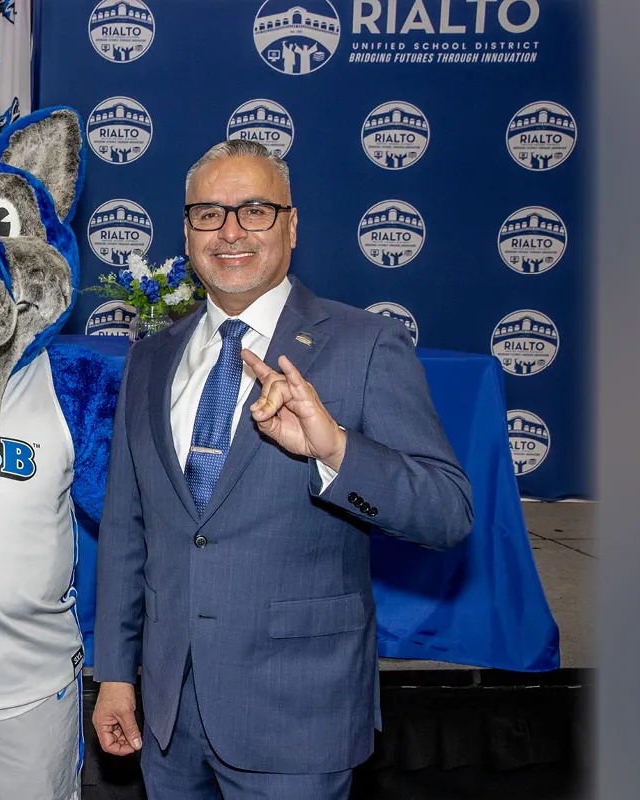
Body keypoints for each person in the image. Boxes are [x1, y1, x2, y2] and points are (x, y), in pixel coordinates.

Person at [90, 139, 474, 799]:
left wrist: (334, 450)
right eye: (209, 213)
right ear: (187, 232)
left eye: (255, 211)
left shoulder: (365, 345)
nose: (231, 230)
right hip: (169, 721)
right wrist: (117, 675)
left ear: (291, 226)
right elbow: (128, 530)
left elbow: (447, 514)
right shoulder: (151, 358)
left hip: (298, 719)